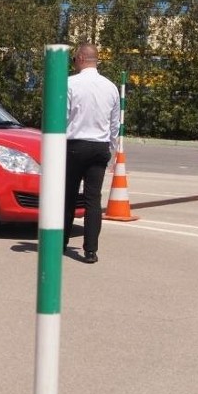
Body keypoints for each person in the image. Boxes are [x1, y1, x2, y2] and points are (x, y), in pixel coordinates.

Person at [63, 43, 120, 264]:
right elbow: (114, 124)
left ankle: (62, 242)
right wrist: (111, 148)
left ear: (79, 59)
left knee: (67, 196)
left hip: (75, 145)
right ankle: (90, 251)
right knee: (92, 199)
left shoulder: (69, 84)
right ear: (96, 60)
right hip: (99, 147)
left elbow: (63, 118)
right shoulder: (111, 87)